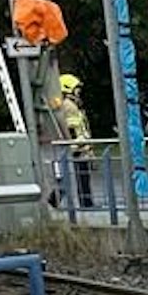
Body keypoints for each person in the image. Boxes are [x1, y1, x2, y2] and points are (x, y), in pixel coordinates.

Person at [55, 73, 94, 209]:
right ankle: (85, 203)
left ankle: (85, 202)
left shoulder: (72, 104)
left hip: (79, 146)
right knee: (78, 176)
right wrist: (77, 144)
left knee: (78, 176)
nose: (79, 92)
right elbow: (72, 128)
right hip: (77, 147)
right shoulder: (69, 106)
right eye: (77, 89)